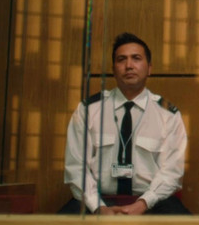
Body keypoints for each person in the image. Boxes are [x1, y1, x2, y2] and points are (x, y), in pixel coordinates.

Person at [59, 32, 191, 215]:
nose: (129, 65)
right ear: (114, 69)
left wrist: (142, 204)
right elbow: (76, 168)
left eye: (136, 58)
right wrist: (99, 207)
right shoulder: (89, 110)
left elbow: (172, 173)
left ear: (149, 68)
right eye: (121, 59)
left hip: (152, 202)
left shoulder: (168, 115)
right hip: (97, 201)